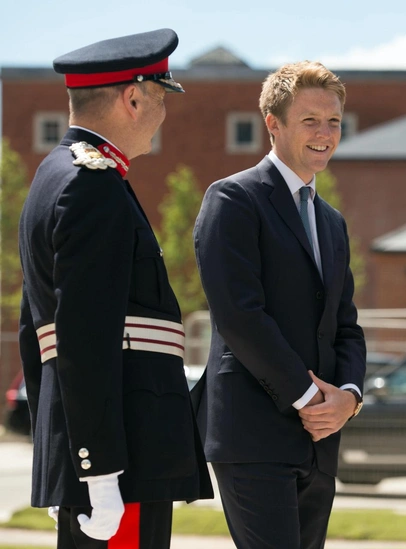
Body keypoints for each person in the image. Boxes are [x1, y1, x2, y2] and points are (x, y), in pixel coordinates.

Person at [17, 29, 213, 549]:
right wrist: (99, 470)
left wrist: (60, 449)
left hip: (105, 450)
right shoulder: (92, 185)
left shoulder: (55, 177)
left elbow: (36, 334)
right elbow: (82, 337)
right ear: (132, 99)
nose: (163, 114)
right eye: (160, 98)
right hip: (125, 454)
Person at [193, 60, 367, 549]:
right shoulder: (233, 199)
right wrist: (310, 399)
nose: (325, 133)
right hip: (253, 434)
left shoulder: (331, 221)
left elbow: (345, 325)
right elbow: (239, 316)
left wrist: (348, 397)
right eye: (310, 120)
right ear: (273, 123)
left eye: (333, 122)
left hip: (320, 440)